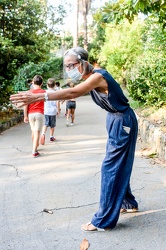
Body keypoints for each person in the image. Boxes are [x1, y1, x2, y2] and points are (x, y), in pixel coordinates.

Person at [10, 46, 139, 231]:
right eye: (66, 66)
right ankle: (128, 203)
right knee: (119, 163)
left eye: (72, 64)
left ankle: (103, 221)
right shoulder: (90, 77)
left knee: (110, 167)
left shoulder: (97, 76)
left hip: (122, 121)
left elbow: (73, 93)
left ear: (83, 62)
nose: (69, 69)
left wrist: (39, 97)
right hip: (115, 119)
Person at [23, 75, 45, 157]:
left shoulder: (28, 93)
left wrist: (25, 116)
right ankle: (34, 151)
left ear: (32, 82)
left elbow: (25, 105)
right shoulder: (43, 92)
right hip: (39, 114)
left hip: (30, 114)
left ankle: (35, 147)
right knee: (37, 132)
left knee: (33, 131)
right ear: (41, 83)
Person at [40, 78, 57, 144]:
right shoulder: (56, 93)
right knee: (52, 125)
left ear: (47, 85)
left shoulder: (45, 92)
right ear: (54, 85)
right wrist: (58, 110)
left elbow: (43, 100)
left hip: (46, 111)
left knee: (46, 123)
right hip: (53, 111)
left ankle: (43, 134)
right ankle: (51, 136)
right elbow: (57, 102)